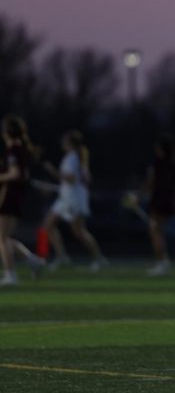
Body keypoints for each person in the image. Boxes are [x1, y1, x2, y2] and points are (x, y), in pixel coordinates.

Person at [43, 130, 108, 272]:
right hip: (66, 197)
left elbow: (71, 179)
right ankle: (61, 257)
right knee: (47, 225)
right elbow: (83, 179)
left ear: (70, 143)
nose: (62, 143)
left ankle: (99, 258)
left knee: (78, 232)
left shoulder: (73, 157)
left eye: (65, 141)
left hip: (74, 199)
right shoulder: (73, 157)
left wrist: (53, 171)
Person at [0, 115, 46, 286]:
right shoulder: (19, 148)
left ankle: (11, 275)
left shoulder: (13, 149)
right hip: (15, 195)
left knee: (2, 239)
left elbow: (15, 174)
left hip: (9, 195)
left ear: (7, 132)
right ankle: (33, 260)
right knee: (4, 238)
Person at [140, 134, 175, 276]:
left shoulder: (157, 163)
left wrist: (137, 196)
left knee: (155, 231)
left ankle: (162, 261)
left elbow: (149, 181)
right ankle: (162, 261)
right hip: (168, 201)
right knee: (158, 230)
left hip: (159, 200)